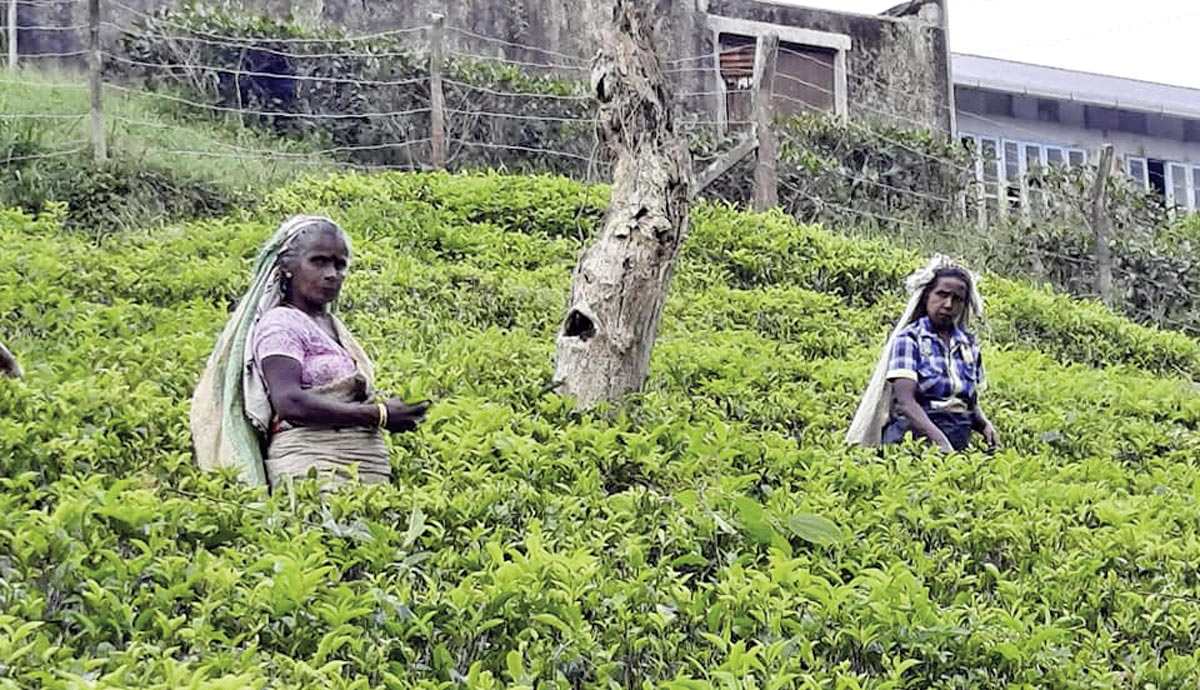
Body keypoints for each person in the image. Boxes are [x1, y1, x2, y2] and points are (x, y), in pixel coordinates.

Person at [190, 215, 429, 490]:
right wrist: (380, 415)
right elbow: (289, 403)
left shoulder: (333, 328)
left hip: (363, 468)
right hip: (312, 468)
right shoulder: (280, 323)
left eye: (340, 265)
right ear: (288, 266)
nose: (331, 273)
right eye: (319, 261)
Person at [846, 255, 999, 453]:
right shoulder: (910, 339)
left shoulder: (967, 345)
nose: (948, 305)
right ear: (927, 296)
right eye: (942, 295)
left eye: (957, 299)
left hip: (956, 438)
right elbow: (906, 402)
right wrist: (941, 443)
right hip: (913, 439)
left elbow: (967, 402)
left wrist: (984, 425)